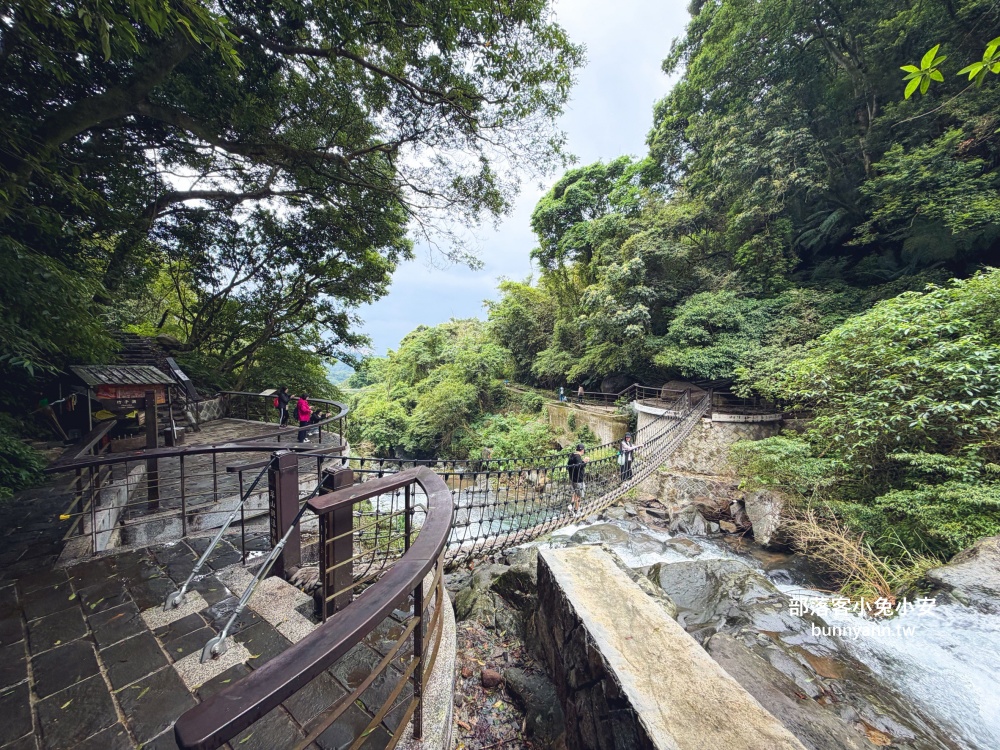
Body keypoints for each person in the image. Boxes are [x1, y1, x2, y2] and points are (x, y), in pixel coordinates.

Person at [566, 443, 588, 517]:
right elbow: (579, 467)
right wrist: (584, 461)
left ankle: (571, 506)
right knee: (578, 495)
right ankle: (576, 511)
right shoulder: (578, 457)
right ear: (582, 450)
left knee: (576, 492)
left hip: (573, 479)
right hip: (578, 479)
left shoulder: (572, 455)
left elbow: (569, 466)